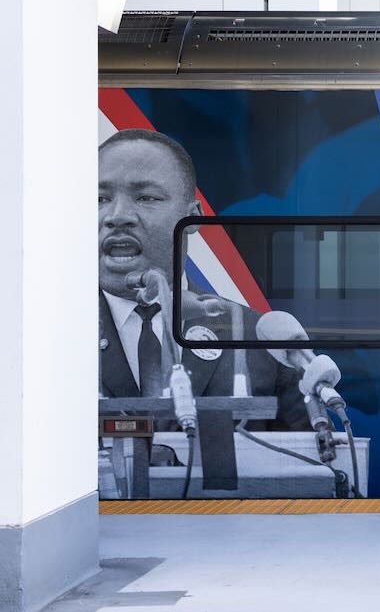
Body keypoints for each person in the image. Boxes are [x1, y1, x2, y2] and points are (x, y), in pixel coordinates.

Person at [98, 128, 309, 432]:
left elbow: (311, 458)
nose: (117, 216)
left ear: (194, 217)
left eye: (146, 197)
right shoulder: (45, 336)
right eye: (100, 198)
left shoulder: (257, 340)